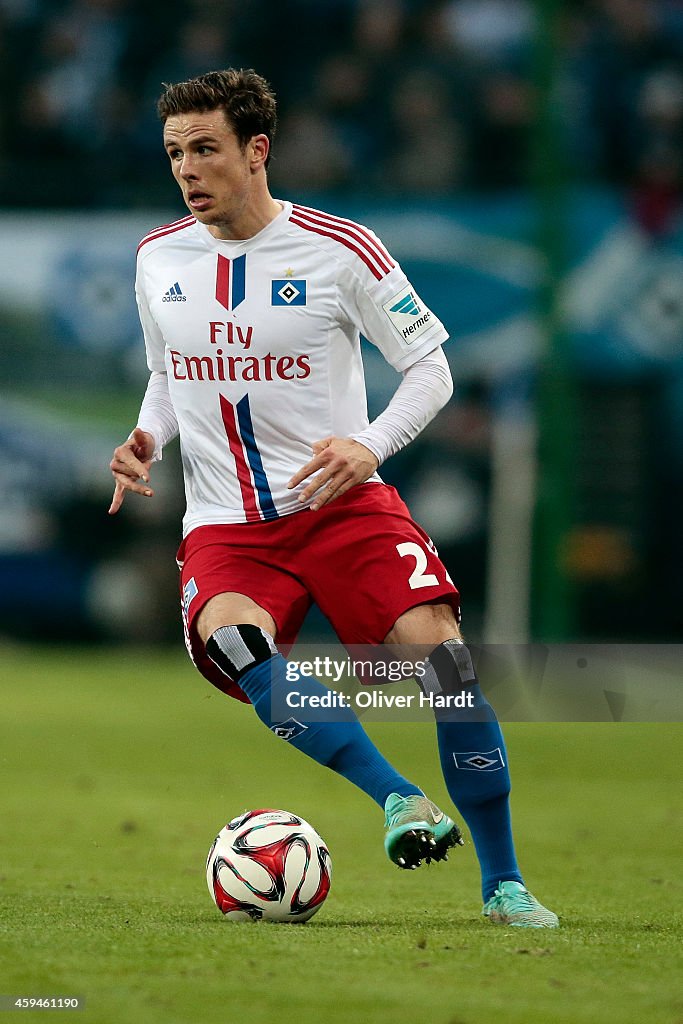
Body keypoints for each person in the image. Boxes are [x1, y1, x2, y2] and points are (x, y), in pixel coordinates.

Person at [109, 68, 557, 928]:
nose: (188, 170)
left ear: (257, 149)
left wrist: (368, 445)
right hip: (228, 528)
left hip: (343, 508)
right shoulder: (157, 258)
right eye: (174, 154)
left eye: (205, 149)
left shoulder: (340, 249)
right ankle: (396, 798)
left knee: (449, 670)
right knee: (239, 644)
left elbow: (431, 369)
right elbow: (167, 377)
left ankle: (501, 883)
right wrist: (146, 439)